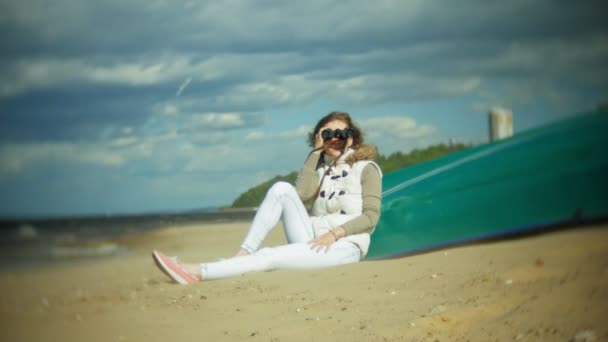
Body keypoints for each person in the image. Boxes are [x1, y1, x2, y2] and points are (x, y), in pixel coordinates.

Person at [152, 111, 383, 284]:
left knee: (271, 255)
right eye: (327, 135)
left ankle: (197, 271)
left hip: (342, 247)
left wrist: (335, 234)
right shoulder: (321, 170)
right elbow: (300, 194)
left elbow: (371, 216)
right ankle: (244, 253)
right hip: (312, 241)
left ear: (351, 138)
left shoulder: (366, 168)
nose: (334, 139)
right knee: (281, 188)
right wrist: (315, 153)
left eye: (341, 134)